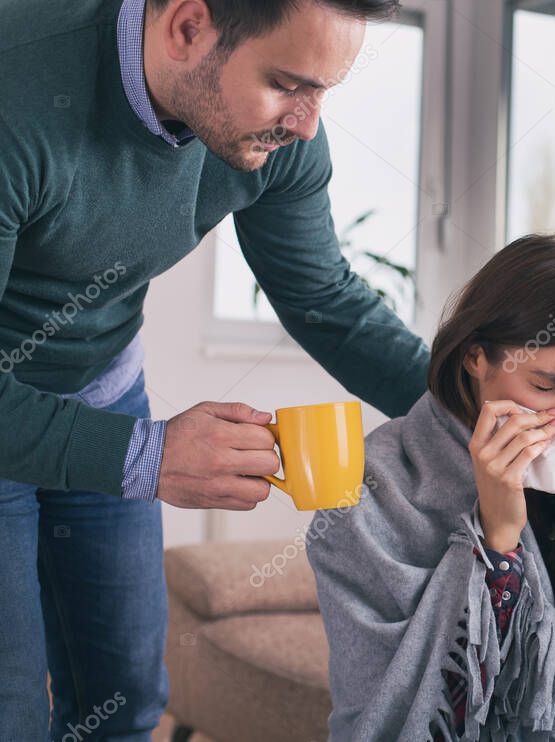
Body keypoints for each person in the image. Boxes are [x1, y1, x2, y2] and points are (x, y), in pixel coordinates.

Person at [0, 0, 428, 737]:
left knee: (127, 701)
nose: (307, 124)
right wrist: (145, 454)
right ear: (188, 26)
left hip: (103, 389)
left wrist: (477, 404)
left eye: (324, 90)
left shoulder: (283, 138)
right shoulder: (19, 91)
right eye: (290, 84)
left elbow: (323, 297)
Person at [307, 234, 555, 741]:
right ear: (476, 358)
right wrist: (498, 542)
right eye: (545, 385)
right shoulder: (375, 490)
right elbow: (409, 721)